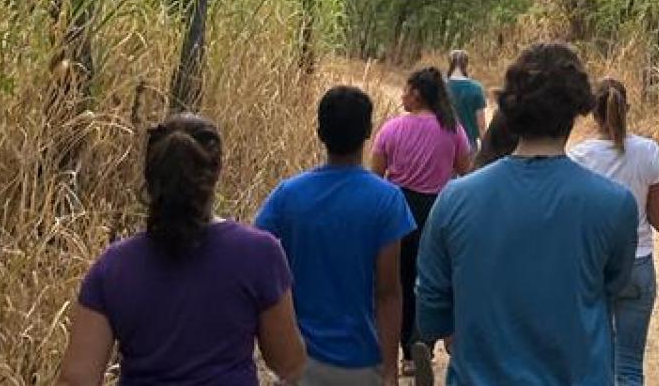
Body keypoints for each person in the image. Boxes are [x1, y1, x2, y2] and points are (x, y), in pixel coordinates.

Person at [417, 43, 638, 386]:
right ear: (577, 111)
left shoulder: (455, 199)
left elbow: (430, 309)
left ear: (510, 107)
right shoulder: (615, 205)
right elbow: (610, 286)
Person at [57, 114, 307, 386]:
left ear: (150, 175)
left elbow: (77, 378)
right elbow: (289, 363)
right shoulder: (259, 254)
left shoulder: (113, 268)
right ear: (217, 171)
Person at [255, 86, 417, 386]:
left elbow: (254, 256)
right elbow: (388, 292)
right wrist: (390, 370)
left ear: (319, 132)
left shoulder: (287, 196)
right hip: (362, 361)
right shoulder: (387, 200)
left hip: (299, 361)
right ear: (368, 131)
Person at [371, 67, 472, 384]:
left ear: (416, 93)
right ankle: (422, 343)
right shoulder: (452, 128)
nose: (401, 94)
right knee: (428, 278)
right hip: (438, 209)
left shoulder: (392, 128)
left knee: (396, 280)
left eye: (405, 89)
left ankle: (403, 349)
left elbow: (375, 175)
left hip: (397, 208)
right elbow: (465, 167)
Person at [570, 79, 659, 386]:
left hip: (594, 267)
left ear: (593, 114)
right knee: (629, 366)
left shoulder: (579, 157)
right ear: (626, 108)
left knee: (595, 361)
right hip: (637, 264)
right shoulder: (648, 151)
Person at [446, 49, 490, 151]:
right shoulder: (476, 88)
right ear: (466, 64)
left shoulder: (441, 87)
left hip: (445, 144)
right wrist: (485, 148)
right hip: (468, 145)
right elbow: (481, 125)